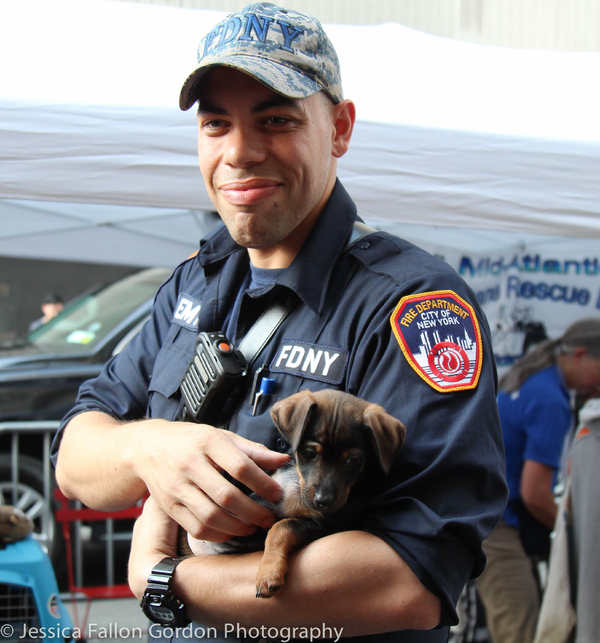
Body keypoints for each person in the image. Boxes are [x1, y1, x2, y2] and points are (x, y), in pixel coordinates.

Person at [52, 4, 507, 641]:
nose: (239, 151)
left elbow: (412, 580)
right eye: (217, 123)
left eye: (276, 119)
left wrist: (167, 581)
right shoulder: (196, 283)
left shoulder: (414, 305)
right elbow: (74, 456)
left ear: (340, 129)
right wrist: (150, 447)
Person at [476, 318, 600, 643]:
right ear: (580, 355)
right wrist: (574, 536)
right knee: (520, 632)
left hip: (489, 515)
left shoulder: (532, 377)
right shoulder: (551, 401)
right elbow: (535, 494)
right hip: (500, 527)